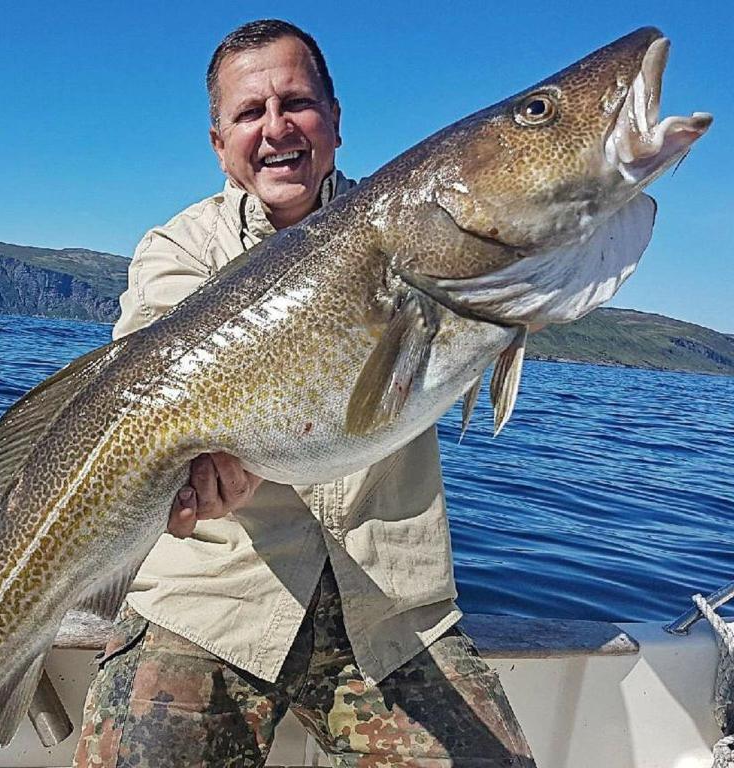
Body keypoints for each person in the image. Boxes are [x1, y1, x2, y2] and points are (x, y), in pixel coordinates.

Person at [74, 19, 536, 768]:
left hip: (390, 613)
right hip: (212, 601)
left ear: (336, 123)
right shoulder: (177, 250)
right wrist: (195, 475)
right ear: (219, 143)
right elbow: (150, 388)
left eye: (297, 102)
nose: (276, 127)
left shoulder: (420, 227)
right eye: (249, 113)